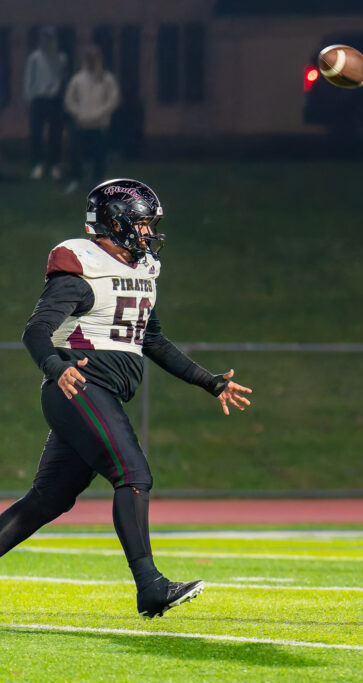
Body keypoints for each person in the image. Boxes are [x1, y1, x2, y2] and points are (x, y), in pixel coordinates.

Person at [0, 178, 253, 618]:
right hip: (79, 387)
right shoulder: (82, 265)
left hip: (97, 392)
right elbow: (35, 330)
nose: (147, 233)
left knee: (49, 498)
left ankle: (150, 587)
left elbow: (151, 340)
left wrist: (208, 381)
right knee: (133, 474)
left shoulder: (142, 270)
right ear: (116, 224)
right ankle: (151, 587)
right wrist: (55, 366)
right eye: (141, 224)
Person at [64, 45, 120, 194]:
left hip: (100, 124)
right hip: (82, 124)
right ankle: (75, 179)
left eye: (94, 58)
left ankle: (99, 183)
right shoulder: (77, 79)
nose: (92, 61)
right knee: (76, 155)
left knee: (99, 157)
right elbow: (70, 100)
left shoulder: (107, 79)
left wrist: (99, 114)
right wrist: (79, 114)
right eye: (89, 58)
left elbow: (112, 100)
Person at [23, 25, 67, 181]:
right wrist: (29, 97)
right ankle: (37, 165)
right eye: (45, 37)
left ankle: (54, 165)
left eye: (50, 38)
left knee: (55, 134)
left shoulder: (60, 58)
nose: (47, 41)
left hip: (54, 100)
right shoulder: (35, 57)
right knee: (36, 133)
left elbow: (61, 78)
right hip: (38, 99)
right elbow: (29, 78)